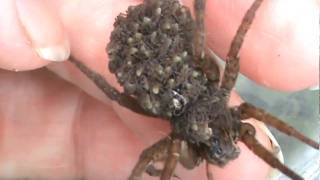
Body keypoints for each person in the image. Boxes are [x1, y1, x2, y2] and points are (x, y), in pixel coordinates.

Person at [0, 0, 318, 179]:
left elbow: (155, 161)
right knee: (210, 40)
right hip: (153, 47)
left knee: (210, 40)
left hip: (148, 52)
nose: (225, 144)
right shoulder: (206, 131)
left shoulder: (189, 140)